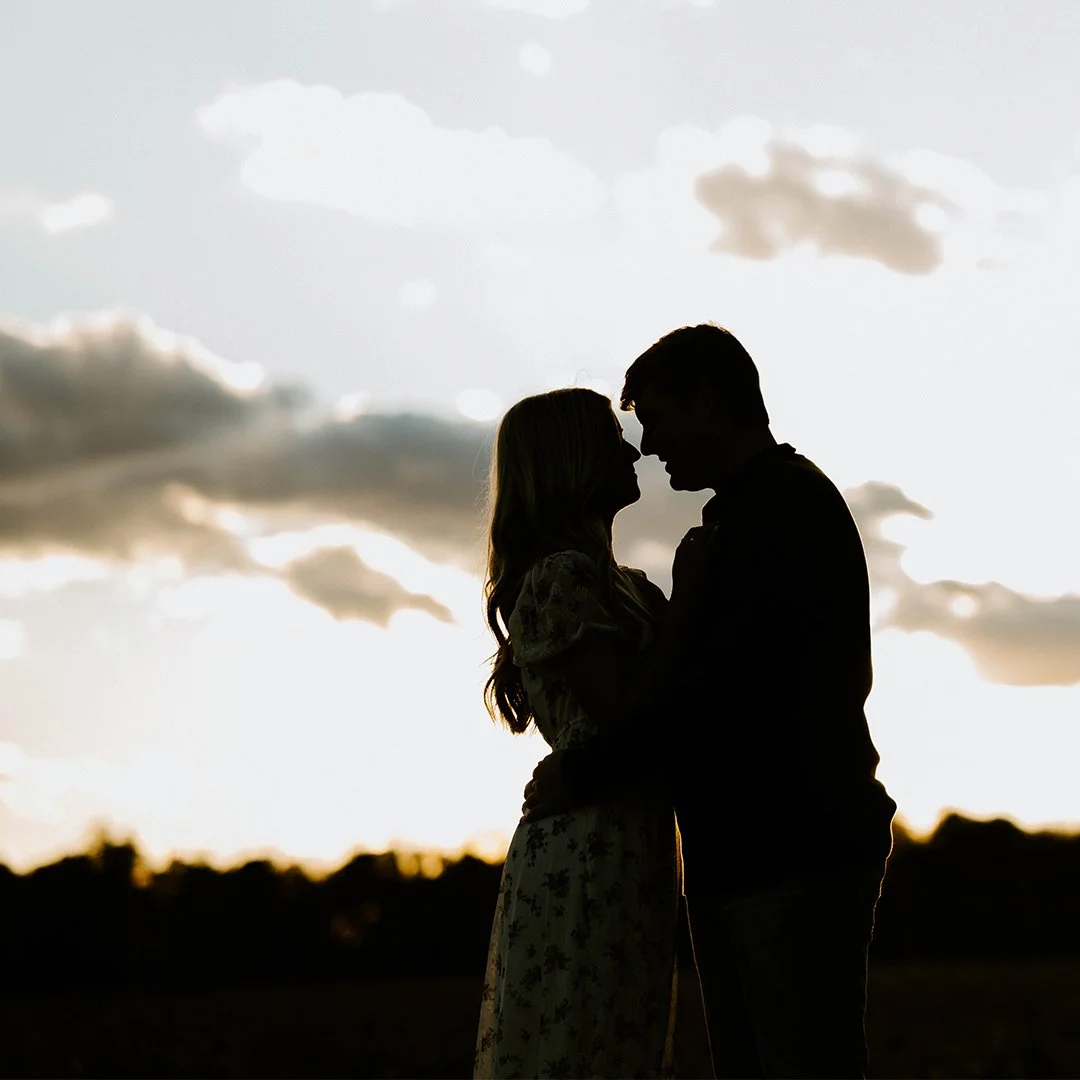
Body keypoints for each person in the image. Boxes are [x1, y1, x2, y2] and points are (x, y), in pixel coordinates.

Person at [523, 325, 897, 1079]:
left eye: (658, 418)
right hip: (749, 854)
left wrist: (581, 772)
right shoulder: (741, 518)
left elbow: (711, 693)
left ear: (707, 402)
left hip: (789, 850)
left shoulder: (780, 513)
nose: (650, 445)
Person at [474, 387, 711, 1079]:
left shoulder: (623, 584)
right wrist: (690, 600)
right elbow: (632, 717)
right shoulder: (560, 579)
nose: (630, 447)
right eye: (609, 436)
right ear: (570, 459)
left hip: (630, 841)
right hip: (589, 847)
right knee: (581, 1044)